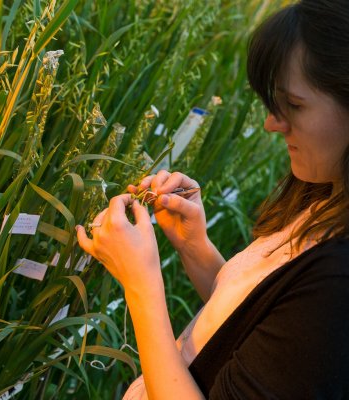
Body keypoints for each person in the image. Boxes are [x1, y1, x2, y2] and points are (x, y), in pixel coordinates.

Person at [76, 0, 349, 398]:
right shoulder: (326, 191)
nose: (271, 123)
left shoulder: (338, 287)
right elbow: (264, 329)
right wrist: (193, 246)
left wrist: (141, 284)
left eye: (293, 105)